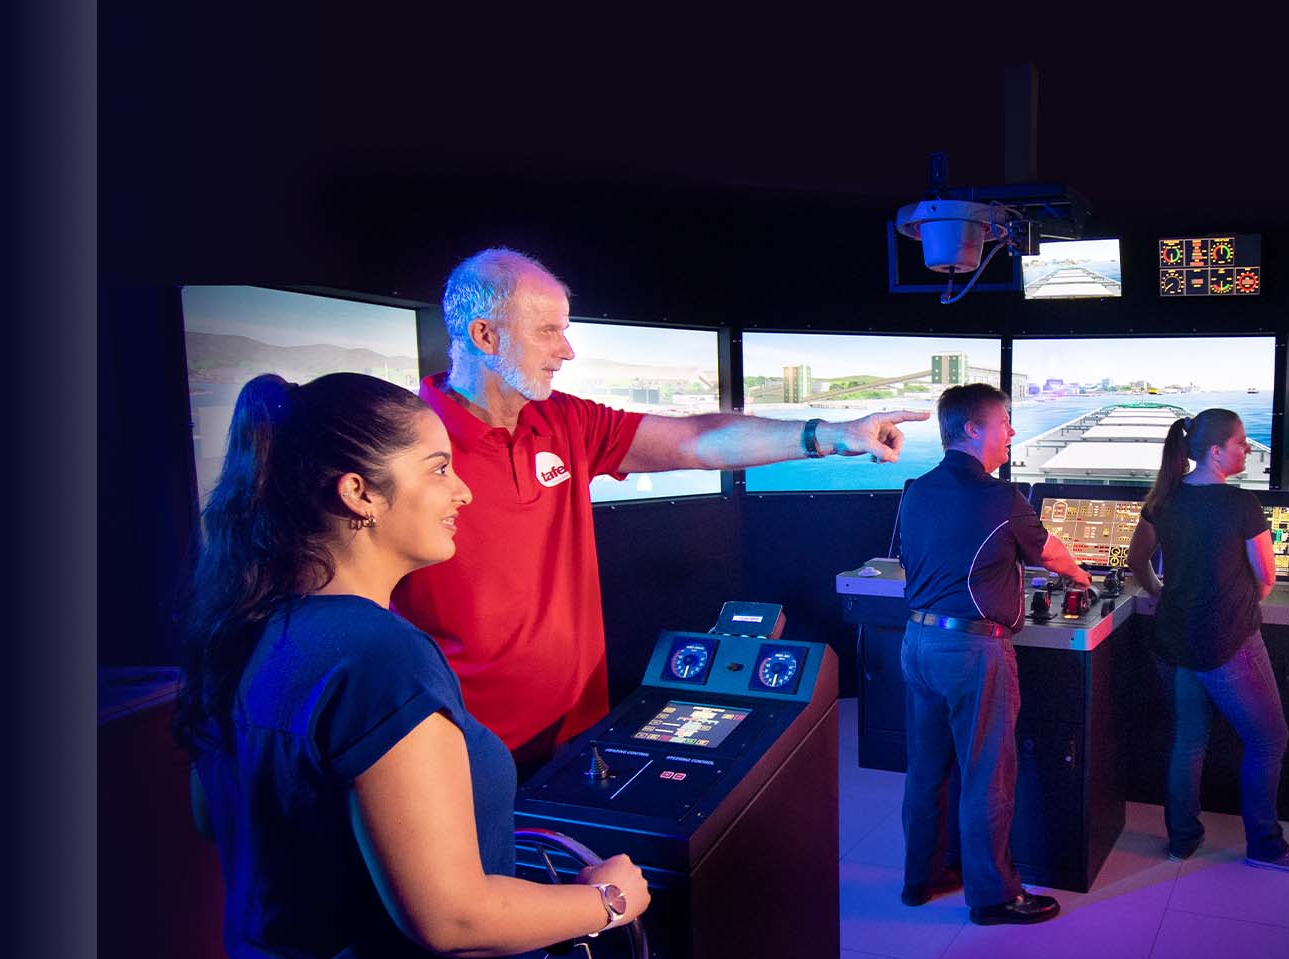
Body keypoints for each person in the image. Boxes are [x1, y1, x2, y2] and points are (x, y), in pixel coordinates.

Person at [175, 372, 653, 959]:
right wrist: (606, 901)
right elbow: (452, 919)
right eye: (438, 470)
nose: (463, 491)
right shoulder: (381, 657)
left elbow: (220, 821)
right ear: (358, 494)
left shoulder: (247, 630)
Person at [393, 247, 929, 776]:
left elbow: (696, 441)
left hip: (576, 736)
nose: (567, 351)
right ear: (484, 336)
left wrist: (832, 435)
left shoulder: (564, 422)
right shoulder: (399, 448)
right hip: (459, 752)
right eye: (548, 331)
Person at [894, 383, 1091, 924]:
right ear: (975, 428)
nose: (1011, 431)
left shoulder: (916, 489)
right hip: (972, 651)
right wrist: (1083, 575)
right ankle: (995, 896)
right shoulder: (1001, 498)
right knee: (987, 773)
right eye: (1005, 421)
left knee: (927, 769)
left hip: (918, 643)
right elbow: (1052, 554)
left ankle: (921, 878)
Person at [1126, 408, 1289, 873]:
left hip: (1173, 637)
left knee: (1189, 740)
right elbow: (1266, 575)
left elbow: (1137, 560)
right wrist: (1243, 602)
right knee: (1270, 739)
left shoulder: (1164, 500)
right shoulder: (1240, 505)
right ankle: (1266, 845)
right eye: (1241, 442)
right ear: (1215, 451)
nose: (1246, 449)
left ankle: (1182, 841)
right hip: (1229, 642)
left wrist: (1159, 591)